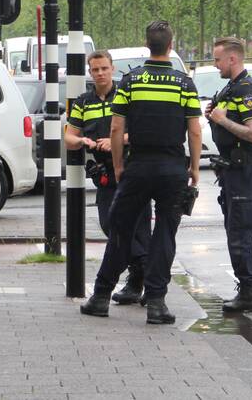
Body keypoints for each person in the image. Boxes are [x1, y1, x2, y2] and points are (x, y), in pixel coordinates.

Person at [80, 20, 201, 324]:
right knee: (165, 234)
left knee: (121, 230)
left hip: (138, 166)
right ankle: (156, 303)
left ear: (148, 45)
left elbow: (116, 127)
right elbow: (195, 131)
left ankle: (100, 297)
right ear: (171, 46)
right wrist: (195, 168)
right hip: (172, 168)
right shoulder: (184, 83)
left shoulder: (130, 82)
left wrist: (119, 166)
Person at [64, 50, 151, 305]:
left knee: (140, 229)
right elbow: (69, 137)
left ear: (112, 69)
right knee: (109, 224)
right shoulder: (83, 102)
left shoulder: (126, 95)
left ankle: (139, 284)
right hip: (105, 174)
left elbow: (143, 131)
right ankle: (145, 266)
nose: (100, 73)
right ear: (90, 72)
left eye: (104, 68)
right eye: (95, 69)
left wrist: (117, 140)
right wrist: (82, 140)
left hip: (132, 170)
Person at [206, 37, 252, 313]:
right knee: (236, 231)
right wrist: (214, 116)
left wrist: (222, 120)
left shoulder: (247, 90)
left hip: (245, 170)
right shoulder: (231, 88)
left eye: (217, 59)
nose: (215, 64)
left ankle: (250, 292)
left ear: (232, 59)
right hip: (233, 170)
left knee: (241, 234)